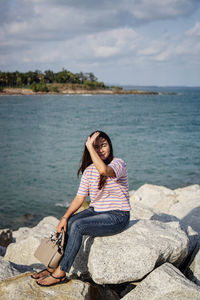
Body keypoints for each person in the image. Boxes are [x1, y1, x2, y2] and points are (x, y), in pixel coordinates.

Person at [32, 131, 131, 286]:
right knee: (70, 222)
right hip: (96, 211)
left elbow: (104, 171)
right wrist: (64, 218)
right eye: (95, 147)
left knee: (78, 226)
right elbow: (79, 198)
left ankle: (61, 272)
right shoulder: (89, 170)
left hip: (118, 215)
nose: (100, 150)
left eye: (103, 145)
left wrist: (90, 147)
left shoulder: (118, 163)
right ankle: (53, 266)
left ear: (110, 146)